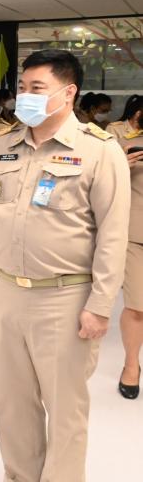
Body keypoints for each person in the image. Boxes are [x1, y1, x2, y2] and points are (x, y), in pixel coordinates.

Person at [0, 49, 130, 482]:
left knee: (65, 408)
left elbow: (113, 234)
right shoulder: (0, 147)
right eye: (22, 87)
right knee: (11, 404)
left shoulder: (98, 150)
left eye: (38, 88)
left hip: (65, 298)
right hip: (6, 294)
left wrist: (101, 304)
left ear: (68, 93)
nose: (26, 96)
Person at [107, 95, 143, 399]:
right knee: (136, 304)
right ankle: (131, 364)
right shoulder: (119, 137)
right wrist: (120, 162)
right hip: (135, 232)